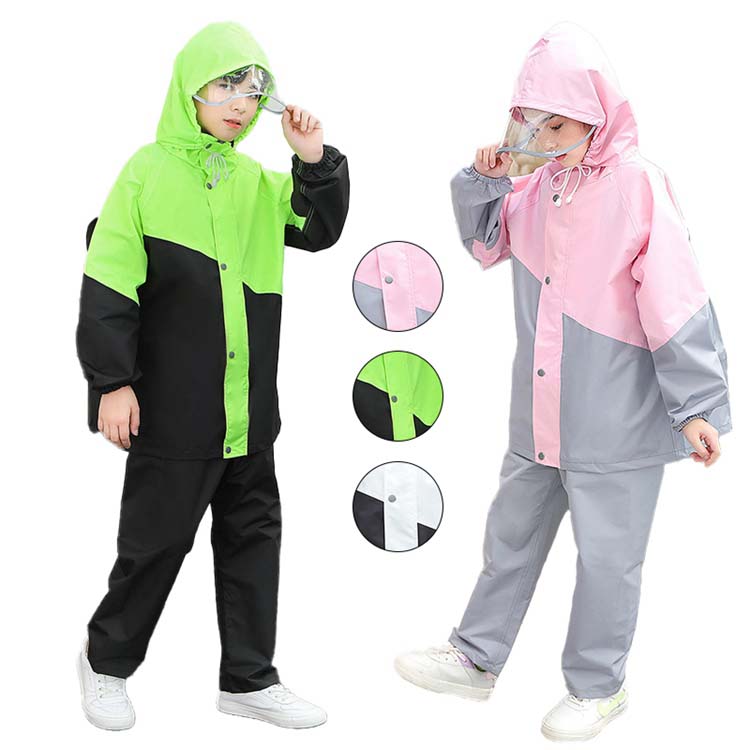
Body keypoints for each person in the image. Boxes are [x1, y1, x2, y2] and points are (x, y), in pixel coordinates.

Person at [394, 21, 730, 742]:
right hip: (540, 412)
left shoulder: (637, 185)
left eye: (560, 124)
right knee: (510, 536)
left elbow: (675, 297)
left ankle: (598, 687)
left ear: (596, 114)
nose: (546, 138)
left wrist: (699, 405)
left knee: (608, 561)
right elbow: (485, 244)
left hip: (617, 419)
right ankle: (476, 658)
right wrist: (486, 180)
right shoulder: (537, 186)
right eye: (534, 122)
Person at [75, 21, 349, 731]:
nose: (241, 103)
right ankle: (105, 662)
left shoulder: (256, 181)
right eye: (227, 85)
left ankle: (249, 680)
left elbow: (318, 228)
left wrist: (313, 159)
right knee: (156, 544)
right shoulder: (146, 172)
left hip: (248, 412)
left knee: (254, 540)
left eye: (254, 90)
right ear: (190, 89)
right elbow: (108, 283)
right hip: (173, 409)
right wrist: (112, 382)